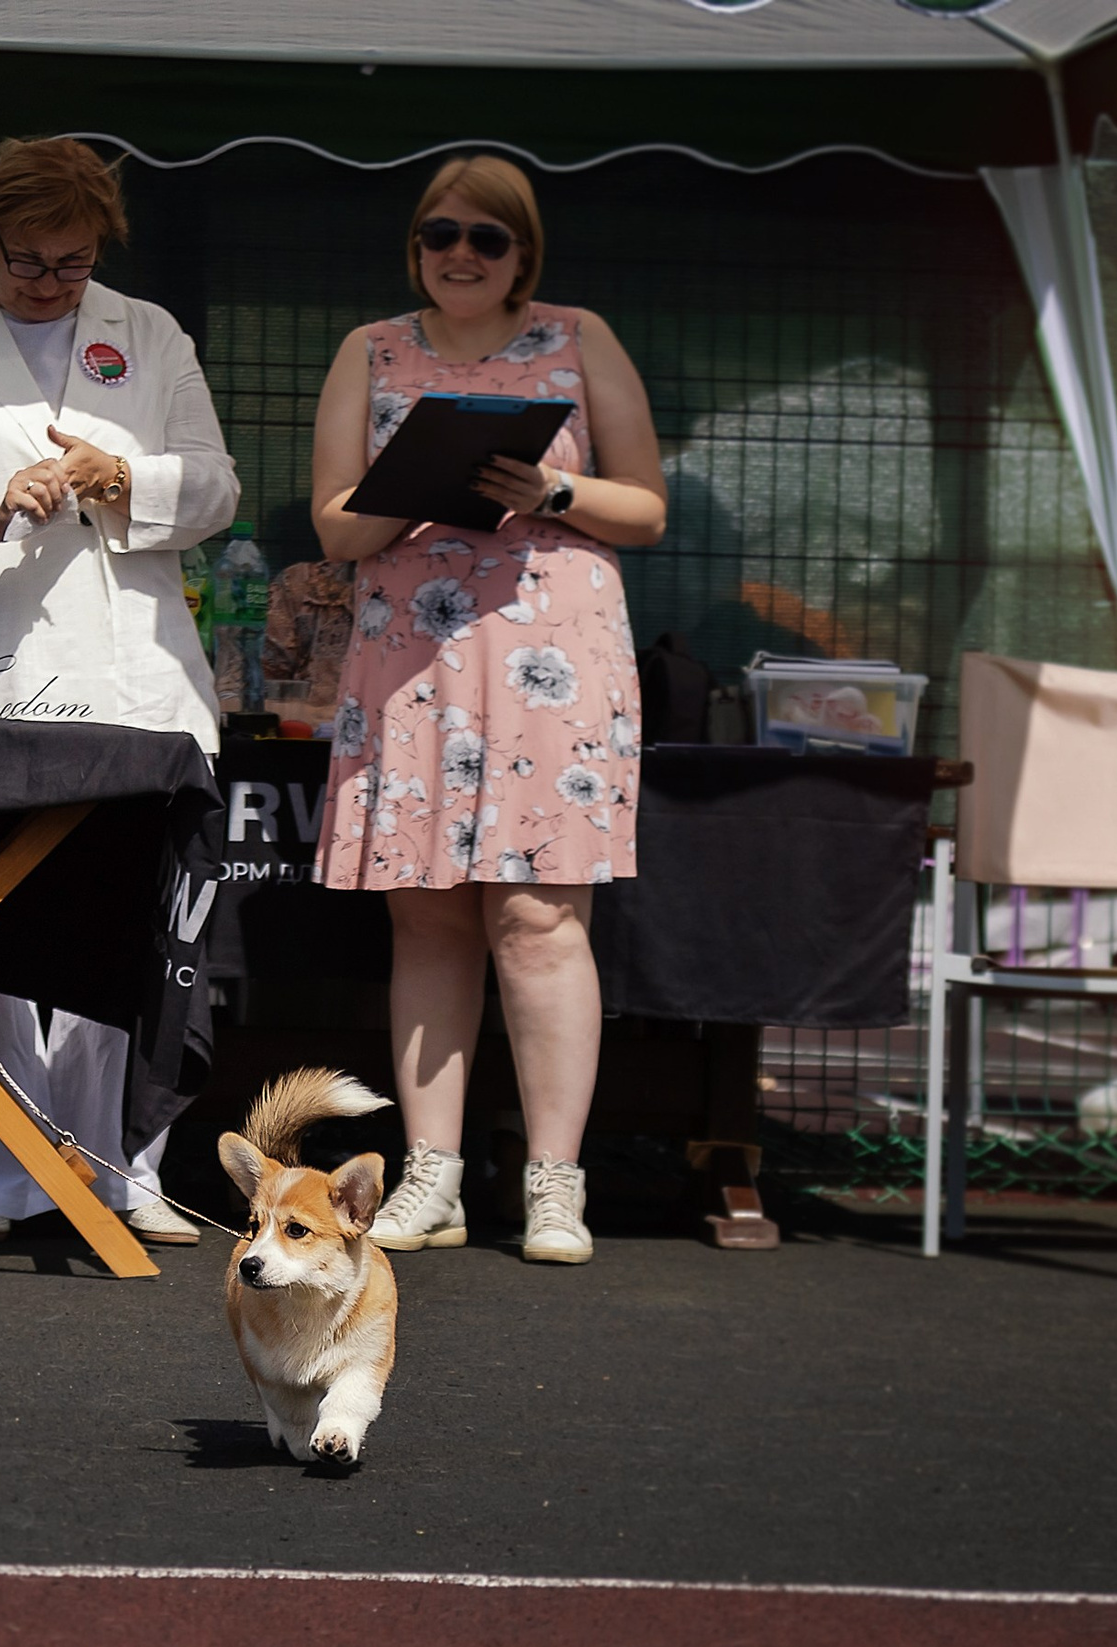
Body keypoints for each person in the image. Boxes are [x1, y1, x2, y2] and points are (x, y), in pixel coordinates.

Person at [0, 137, 240, 1248]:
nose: (49, 282)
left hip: (128, 669)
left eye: (72, 264)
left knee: (116, 928)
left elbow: (214, 485)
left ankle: (116, 1168)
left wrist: (120, 477)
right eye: (28, 261)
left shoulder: (150, 333)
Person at [310, 156, 667, 1265]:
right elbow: (333, 527)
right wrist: (413, 485)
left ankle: (553, 1184)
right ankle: (433, 1177)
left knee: (537, 916)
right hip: (411, 652)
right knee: (424, 911)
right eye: (438, 235)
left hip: (549, 654)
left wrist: (551, 490)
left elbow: (646, 506)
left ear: (525, 254)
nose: (460, 254)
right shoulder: (368, 350)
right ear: (413, 246)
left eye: (487, 238)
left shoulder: (578, 335)